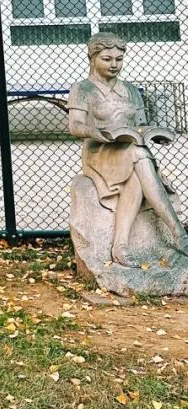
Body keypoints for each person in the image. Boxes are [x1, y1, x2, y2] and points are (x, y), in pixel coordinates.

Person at [67, 32, 188, 265]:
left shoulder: (131, 90)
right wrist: (98, 132)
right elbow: (75, 126)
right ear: (92, 58)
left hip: (129, 150)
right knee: (140, 155)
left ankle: (120, 246)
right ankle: (179, 234)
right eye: (107, 59)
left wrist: (154, 135)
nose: (114, 64)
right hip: (99, 152)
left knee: (136, 173)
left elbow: (141, 125)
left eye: (119, 59)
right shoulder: (82, 89)